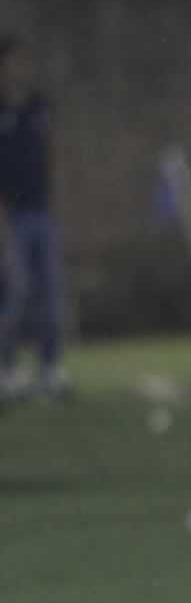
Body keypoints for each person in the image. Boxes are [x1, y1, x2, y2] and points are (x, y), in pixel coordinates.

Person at [0, 34, 68, 402]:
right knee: (16, 292)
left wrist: (58, 205)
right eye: (12, 62)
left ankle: (49, 368)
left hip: (43, 214)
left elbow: (51, 156)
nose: (19, 69)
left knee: (51, 295)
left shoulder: (39, 107)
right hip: (11, 218)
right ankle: (6, 368)